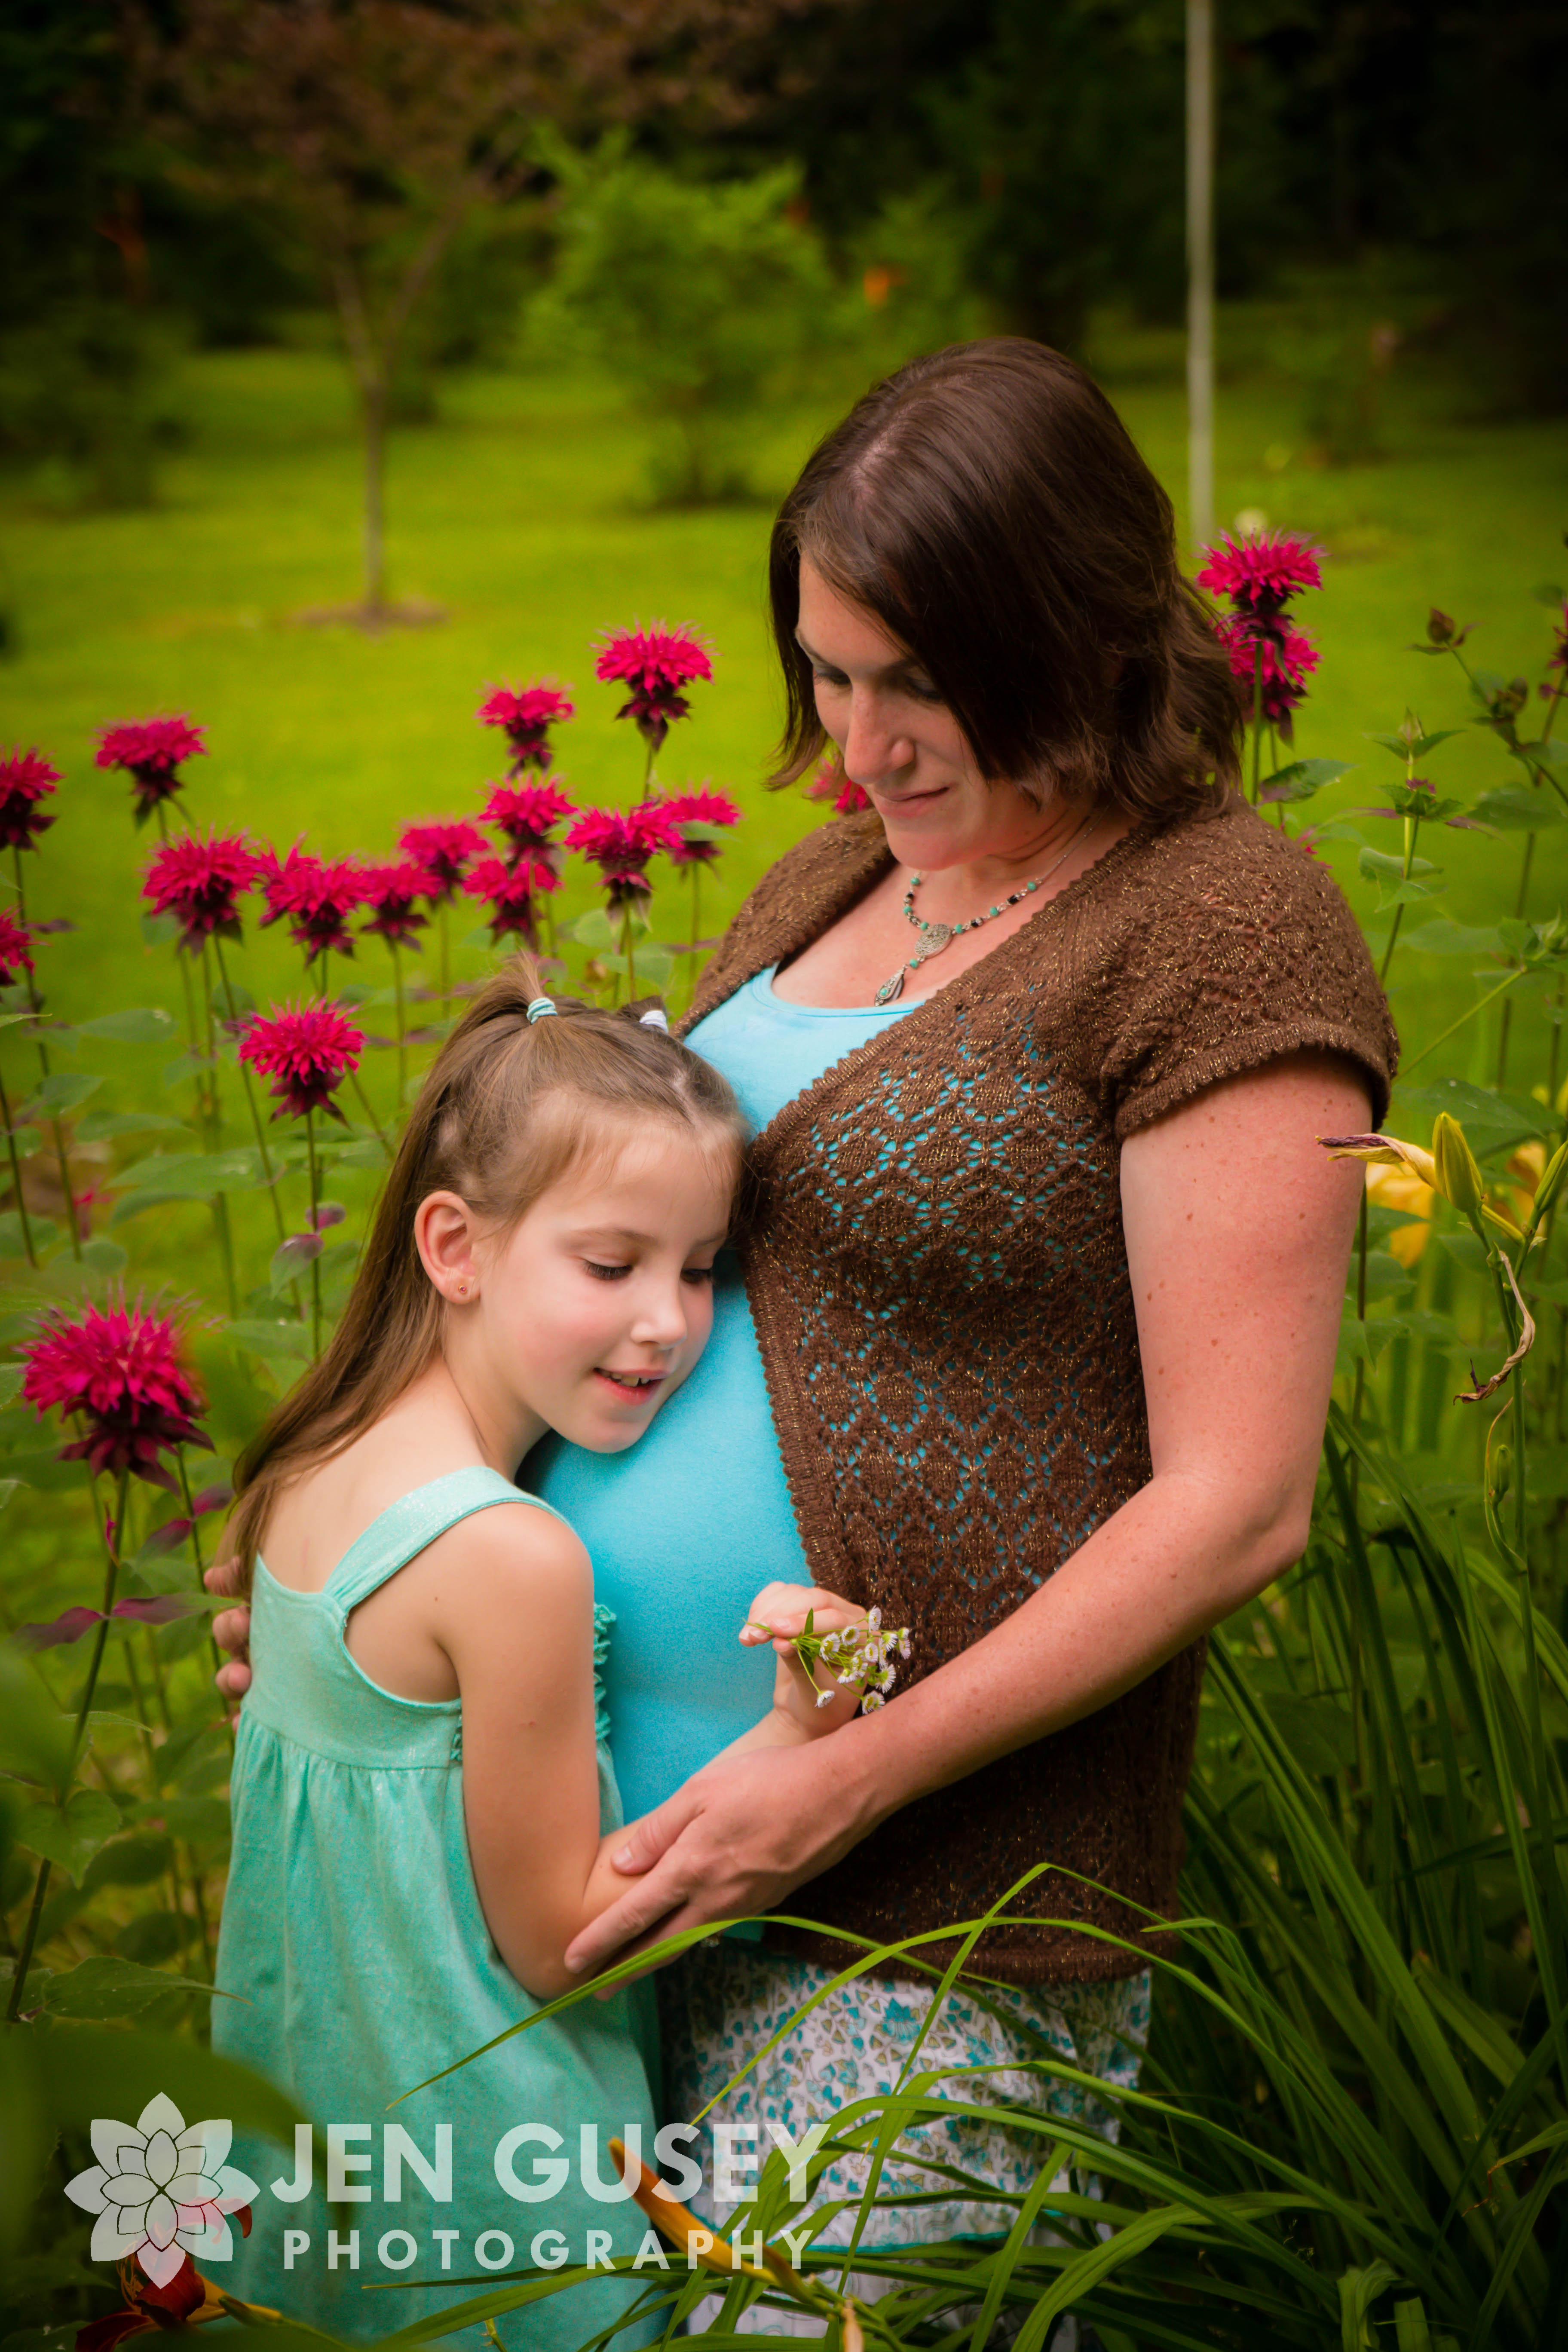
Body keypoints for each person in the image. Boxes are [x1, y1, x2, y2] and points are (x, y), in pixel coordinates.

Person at [214, 338, 1395, 2322]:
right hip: (573, 1868)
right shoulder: (835, 869)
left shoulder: (1221, 929)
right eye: (829, 675)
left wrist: (848, 1778)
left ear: (1077, 632)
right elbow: (617, 1242)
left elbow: (1239, 1502)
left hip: (914, 1916)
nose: (862, 746)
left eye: (917, 681)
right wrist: (372, 1567)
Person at [209, 958, 871, 2346]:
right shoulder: (510, 1558)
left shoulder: (306, 1467)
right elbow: (567, 1944)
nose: (668, 1321)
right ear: (455, 1247)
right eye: (611, 1265)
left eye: (700, 1268)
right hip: (499, 2212)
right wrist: (801, 1732)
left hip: (322, 2182)